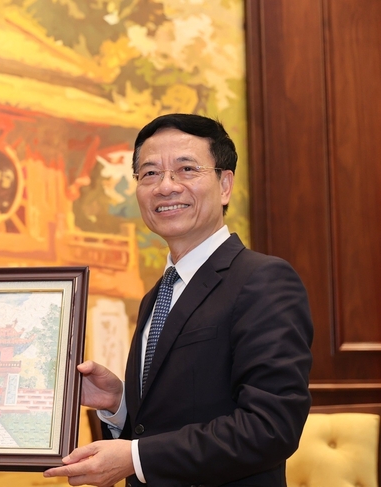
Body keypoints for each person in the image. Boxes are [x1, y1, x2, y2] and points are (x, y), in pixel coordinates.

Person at [44, 114, 314, 486]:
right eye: (149, 173)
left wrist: (136, 457)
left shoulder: (263, 280)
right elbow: (163, 420)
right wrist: (119, 404)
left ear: (224, 185)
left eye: (186, 169)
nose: (165, 187)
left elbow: (270, 427)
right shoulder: (157, 294)